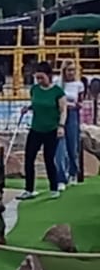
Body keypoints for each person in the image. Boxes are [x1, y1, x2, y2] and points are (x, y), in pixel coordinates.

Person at [20, 62, 67, 199]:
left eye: (42, 77)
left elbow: (63, 110)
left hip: (51, 129)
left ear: (49, 76)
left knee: (49, 158)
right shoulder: (34, 89)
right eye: (37, 78)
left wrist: (61, 126)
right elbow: (36, 104)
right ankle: (29, 189)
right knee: (29, 158)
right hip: (36, 129)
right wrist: (28, 108)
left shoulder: (57, 92)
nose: (39, 80)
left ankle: (54, 187)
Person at [61, 61, 85, 183]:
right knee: (61, 145)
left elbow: (80, 102)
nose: (71, 73)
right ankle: (63, 171)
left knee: (72, 143)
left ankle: (73, 172)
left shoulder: (79, 85)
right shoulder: (59, 84)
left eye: (73, 70)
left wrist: (74, 105)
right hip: (60, 114)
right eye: (69, 70)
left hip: (72, 114)